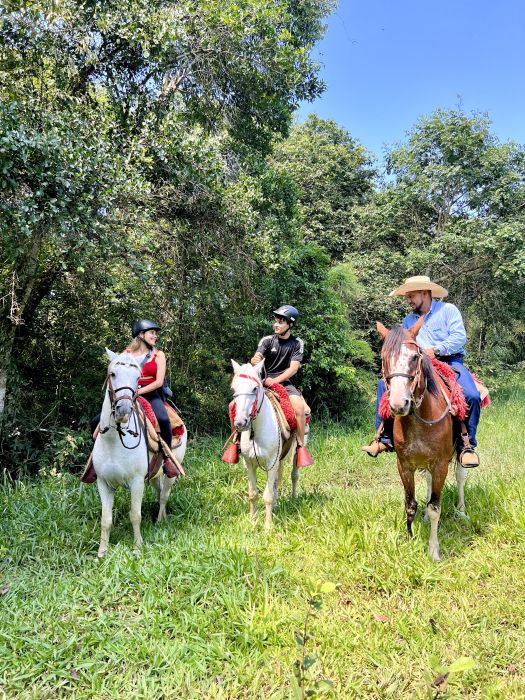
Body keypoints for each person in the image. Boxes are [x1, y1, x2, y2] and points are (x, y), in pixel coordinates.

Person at [362, 276, 481, 467]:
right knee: (383, 386)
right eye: (407, 296)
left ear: (425, 293)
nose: (408, 300)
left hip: (449, 361)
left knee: (471, 394)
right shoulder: (408, 320)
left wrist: (436, 350)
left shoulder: (448, 311)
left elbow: (459, 337)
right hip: (419, 363)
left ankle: (467, 446)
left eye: (411, 296)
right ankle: (383, 438)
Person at [81, 319, 179, 482]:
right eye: (152, 333)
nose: (155, 336)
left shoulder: (158, 354)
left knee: (163, 419)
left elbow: (158, 382)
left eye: (155, 334)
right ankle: (96, 461)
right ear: (141, 335)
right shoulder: (126, 354)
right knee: (96, 421)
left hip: (150, 394)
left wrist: (138, 391)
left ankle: (168, 459)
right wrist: (127, 392)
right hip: (126, 395)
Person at [250, 305, 313, 467]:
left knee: (299, 407)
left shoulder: (297, 343)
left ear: (290, 324)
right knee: (236, 403)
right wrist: (255, 360)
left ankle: (300, 447)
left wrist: (275, 381)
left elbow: (293, 368)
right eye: (276, 320)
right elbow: (257, 356)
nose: (276, 324)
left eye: (281, 321)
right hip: (262, 381)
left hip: (284, 382)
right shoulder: (266, 340)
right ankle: (236, 443)